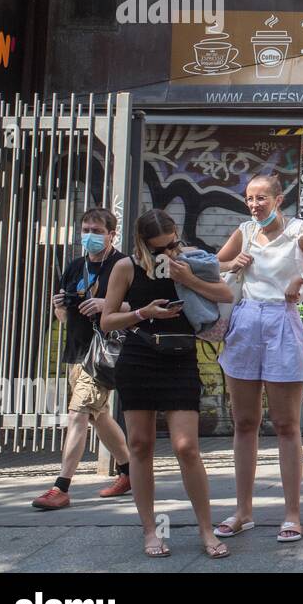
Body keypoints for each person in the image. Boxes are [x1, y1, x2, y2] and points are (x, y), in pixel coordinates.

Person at [98, 210, 234, 558]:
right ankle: (151, 532)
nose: (168, 252)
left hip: (180, 357)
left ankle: (207, 530)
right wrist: (144, 313)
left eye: (172, 243)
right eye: (160, 248)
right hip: (140, 357)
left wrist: (188, 278)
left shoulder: (190, 258)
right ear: (142, 243)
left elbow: (225, 294)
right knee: (140, 446)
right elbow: (108, 319)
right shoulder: (126, 267)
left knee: (187, 446)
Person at [212, 174, 303, 543]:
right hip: (246, 320)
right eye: (250, 198)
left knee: (286, 425)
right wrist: (233, 265)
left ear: (279, 199)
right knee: (245, 423)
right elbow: (213, 265)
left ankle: (292, 514)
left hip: (283, 320)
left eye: (261, 198)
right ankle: (243, 511)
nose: (254, 204)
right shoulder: (244, 230)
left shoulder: (301, 231)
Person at [32, 208, 132, 510]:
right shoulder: (75, 267)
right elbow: (63, 316)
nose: (89, 236)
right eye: (86, 229)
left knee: (78, 414)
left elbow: (138, 305)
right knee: (98, 415)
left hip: (103, 352)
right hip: (77, 351)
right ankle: (129, 471)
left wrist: (106, 304)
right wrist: (59, 306)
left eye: (97, 230)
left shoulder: (122, 265)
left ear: (111, 234)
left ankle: (60, 487)